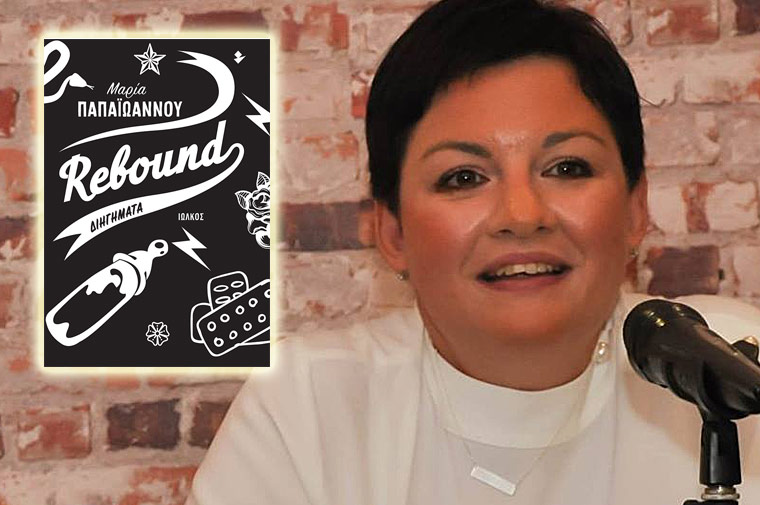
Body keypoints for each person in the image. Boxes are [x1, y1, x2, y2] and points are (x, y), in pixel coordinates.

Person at [186, 0, 760, 503]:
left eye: (567, 168)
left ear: (635, 208)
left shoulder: (726, 373)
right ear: (393, 233)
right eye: (463, 177)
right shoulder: (307, 409)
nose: (522, 215)